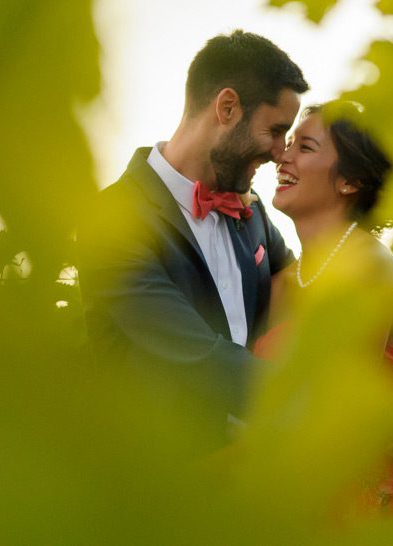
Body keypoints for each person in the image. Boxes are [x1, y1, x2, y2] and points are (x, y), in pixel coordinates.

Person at [77, 30, 309, 421]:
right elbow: (196, 355)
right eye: (275, 131)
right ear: (228, 108)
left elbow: (306, 285)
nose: (279, 152)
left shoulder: (252, 214)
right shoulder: (113, 218)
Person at [254, 101, 393, 520]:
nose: (283, 155)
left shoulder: (370, 264)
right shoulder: (282, 282)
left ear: (349, 182)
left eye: (306, 147)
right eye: (289, 144)